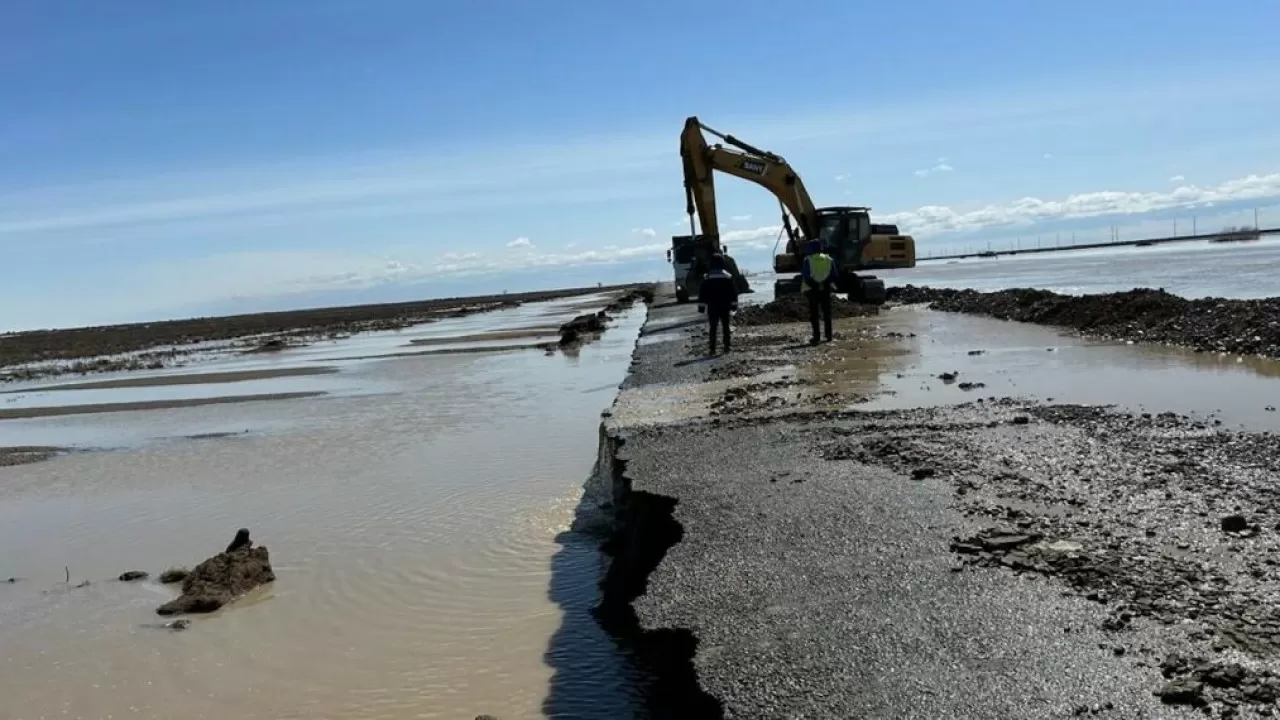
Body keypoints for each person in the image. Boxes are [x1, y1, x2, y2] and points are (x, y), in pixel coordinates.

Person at [697, 253, 739, 355]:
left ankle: (712, 349)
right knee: (725, 326)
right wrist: (734, 305)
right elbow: (733, 293)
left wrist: (701, 308)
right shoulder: (727, 277)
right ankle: (727, 347)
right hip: (725, 306)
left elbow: (702, 294)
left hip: (712, 306)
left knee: (713, 328)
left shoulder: (707, 278)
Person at [801, 239, 836, 344]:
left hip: (812, 290)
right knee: (827, 314)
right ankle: (829, 336)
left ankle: (816, 337)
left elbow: (806, 276)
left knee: (814, 314)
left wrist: (815, 285)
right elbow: (834, 275)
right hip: (825, 289)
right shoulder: (829, 259)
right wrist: (824, 284)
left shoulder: (808, 260)